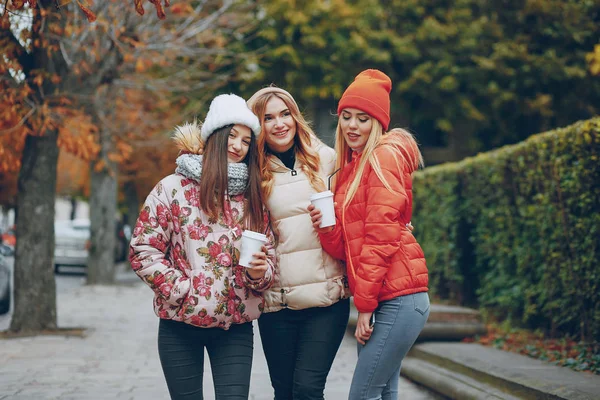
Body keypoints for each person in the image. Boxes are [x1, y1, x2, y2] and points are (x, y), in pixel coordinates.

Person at [129, 94, 276, 400]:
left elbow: (268, 257)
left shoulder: (253, 198)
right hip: (179, 325)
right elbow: (143, 249)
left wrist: (259, 273)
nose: (237, 145)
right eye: (231, 136)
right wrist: (183, 290)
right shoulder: (172, 188)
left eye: (246, 141)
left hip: (234, 327)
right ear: (214, 137)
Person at [308, 69, 430, 400]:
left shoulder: (382, 157)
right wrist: (326, 222)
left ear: (377, 122)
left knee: (363, 395)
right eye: (346, 116)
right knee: (382, 391)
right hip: (388, 296)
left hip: (399, 298)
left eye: (363, 118)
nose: (352, 125)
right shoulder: (350, 171)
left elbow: (380, 239)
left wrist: (364, 306)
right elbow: (343, 248)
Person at [248, 87, 350, 399]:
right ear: (257, 126)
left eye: (285, 114)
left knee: (307, 389)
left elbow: (358, 206)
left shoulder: (328, 160)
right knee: (284, 392)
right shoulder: (252, 175)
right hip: (277, 303)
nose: (279, 123)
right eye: (268, 118)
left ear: (296, 117)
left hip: (326, 299)